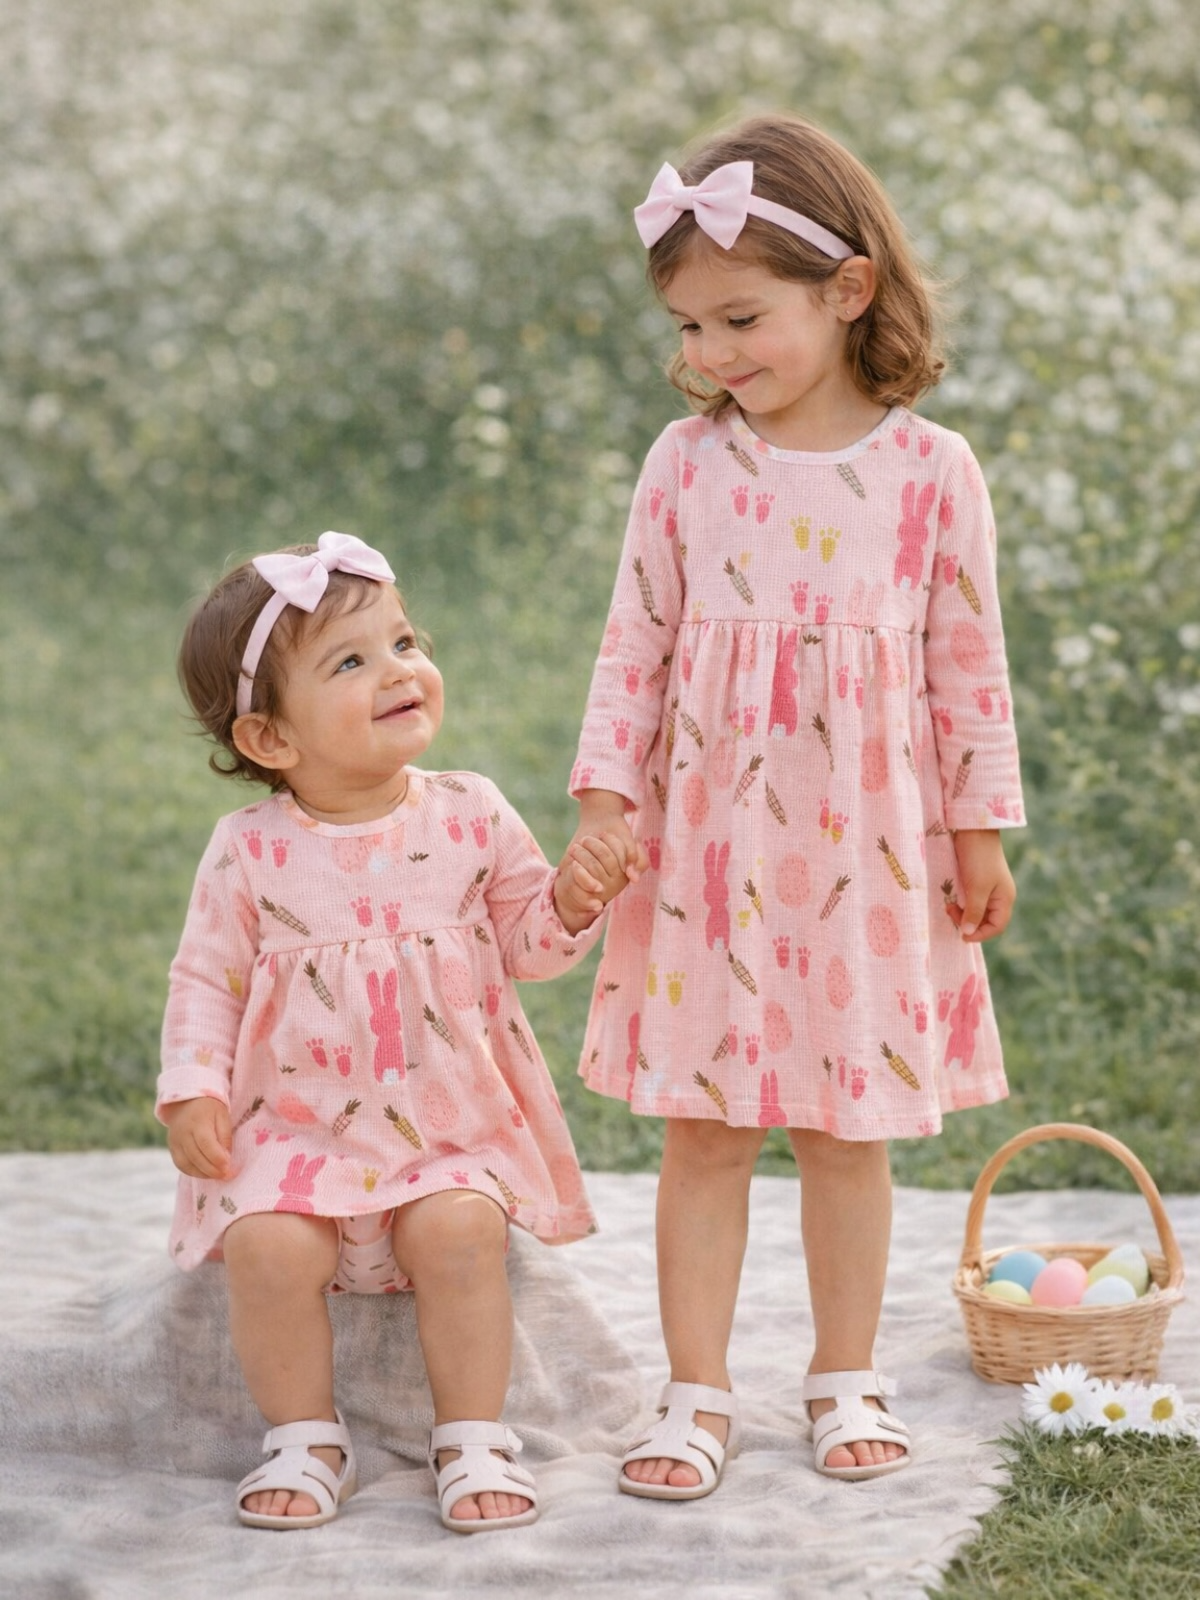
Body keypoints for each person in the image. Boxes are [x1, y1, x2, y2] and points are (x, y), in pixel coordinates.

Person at [567, 113, 1024, 1494]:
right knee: (705, 1129)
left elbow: (967, 662)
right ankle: (695, 1390)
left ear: (849, 289)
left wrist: (978, 823)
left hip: (872, 858)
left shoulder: (932, 473)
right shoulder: (688, 467)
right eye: (692, 327)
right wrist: (603, 801)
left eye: (740, 319)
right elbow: (633, 646)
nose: (710, 356)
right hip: (708, 851)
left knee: (846, 1128)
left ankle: (845, 1375)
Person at [158, 532, 638, 1532]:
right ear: (272, 741)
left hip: (445, 1128)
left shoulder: (470, 812)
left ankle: (472, 1433)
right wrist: (194, 1087)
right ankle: (303, 1434)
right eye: (351, 660)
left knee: (462, 1230)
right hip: (296, 1132)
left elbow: (529, 947)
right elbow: (207, 976)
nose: (400, 669)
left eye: (404, 640)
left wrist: (574, 898)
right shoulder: (249, 851)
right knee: (266, 1246)